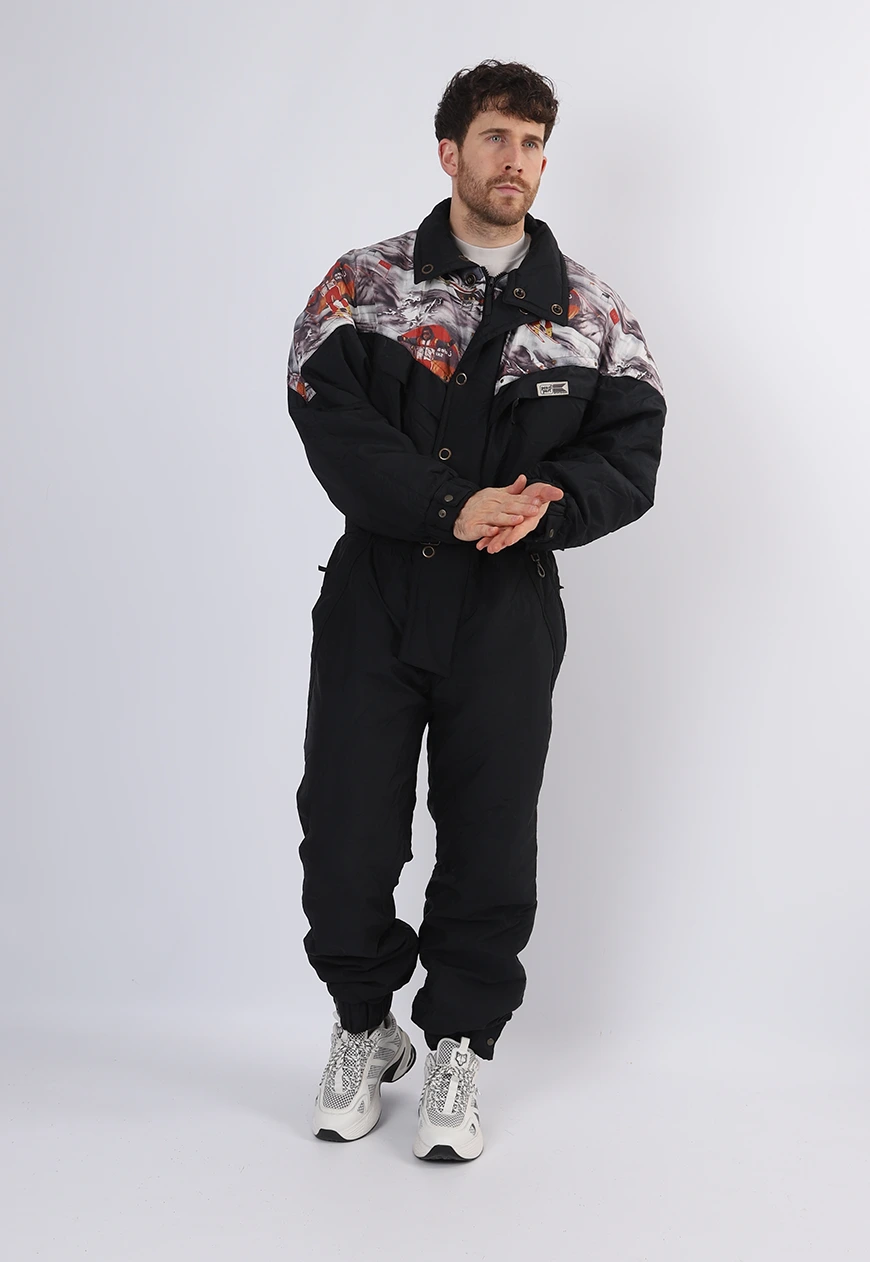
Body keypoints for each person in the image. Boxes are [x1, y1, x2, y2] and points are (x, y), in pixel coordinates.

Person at [285, 59, 667, 1162]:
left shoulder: (590, 310)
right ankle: (364, 1025)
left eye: (535, 143)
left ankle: (459, 1043)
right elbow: (327, 416)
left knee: (490, 834)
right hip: (377, 592)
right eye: (498, 137)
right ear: (449, 151)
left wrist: (546, 506)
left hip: (507, 600)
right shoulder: (365, 285)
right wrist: (447, 504)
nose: (518, 162)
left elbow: (632, 452)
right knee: (346, 829)